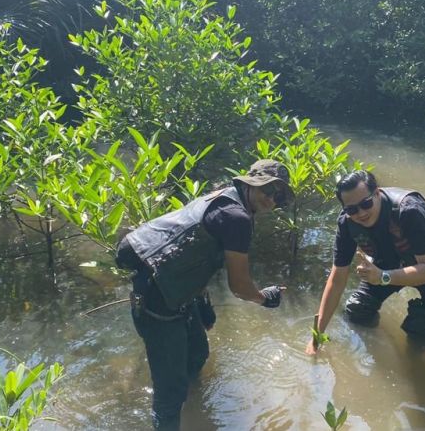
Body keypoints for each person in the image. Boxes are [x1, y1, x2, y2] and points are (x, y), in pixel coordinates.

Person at [115, 159, 294, 430]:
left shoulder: (222, 197)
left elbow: (192, 256)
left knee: (198, 354)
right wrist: (265, 297)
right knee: (169, 395)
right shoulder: (237, 218)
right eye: (267, 190)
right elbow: (240, 287)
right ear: (250, 184)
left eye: (278, 196)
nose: (271, 199)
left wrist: (202, 303)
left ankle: (195, 412)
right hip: (157, 302)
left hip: (176, 291)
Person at [306, 170, 425, 355]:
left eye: (366, 204)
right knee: (357, 311)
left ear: (377, 193)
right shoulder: (347, 223)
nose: (361, 213)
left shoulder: (409, 211)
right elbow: (337, 278)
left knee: (423, 335)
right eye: (352, 209)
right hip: (390, 259)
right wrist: (317, 335)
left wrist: (383, 277)